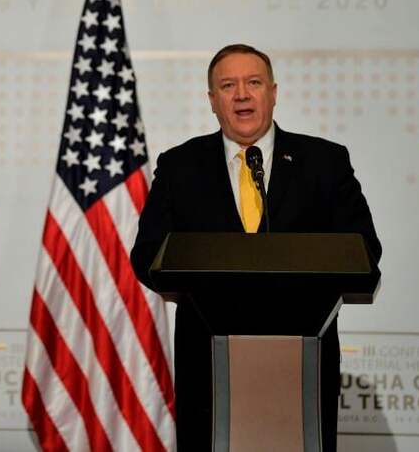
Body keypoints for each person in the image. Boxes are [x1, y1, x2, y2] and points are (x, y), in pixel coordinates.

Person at [130, 44, 381, 452]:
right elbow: (147, 255)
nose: (242, 94)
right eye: (228, 85)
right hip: (208, 366)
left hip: (302, 364)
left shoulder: (324, 161)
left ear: (274, 91)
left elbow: (364, 249)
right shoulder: (180, 166)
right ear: (212, 100)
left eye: (253, 82)